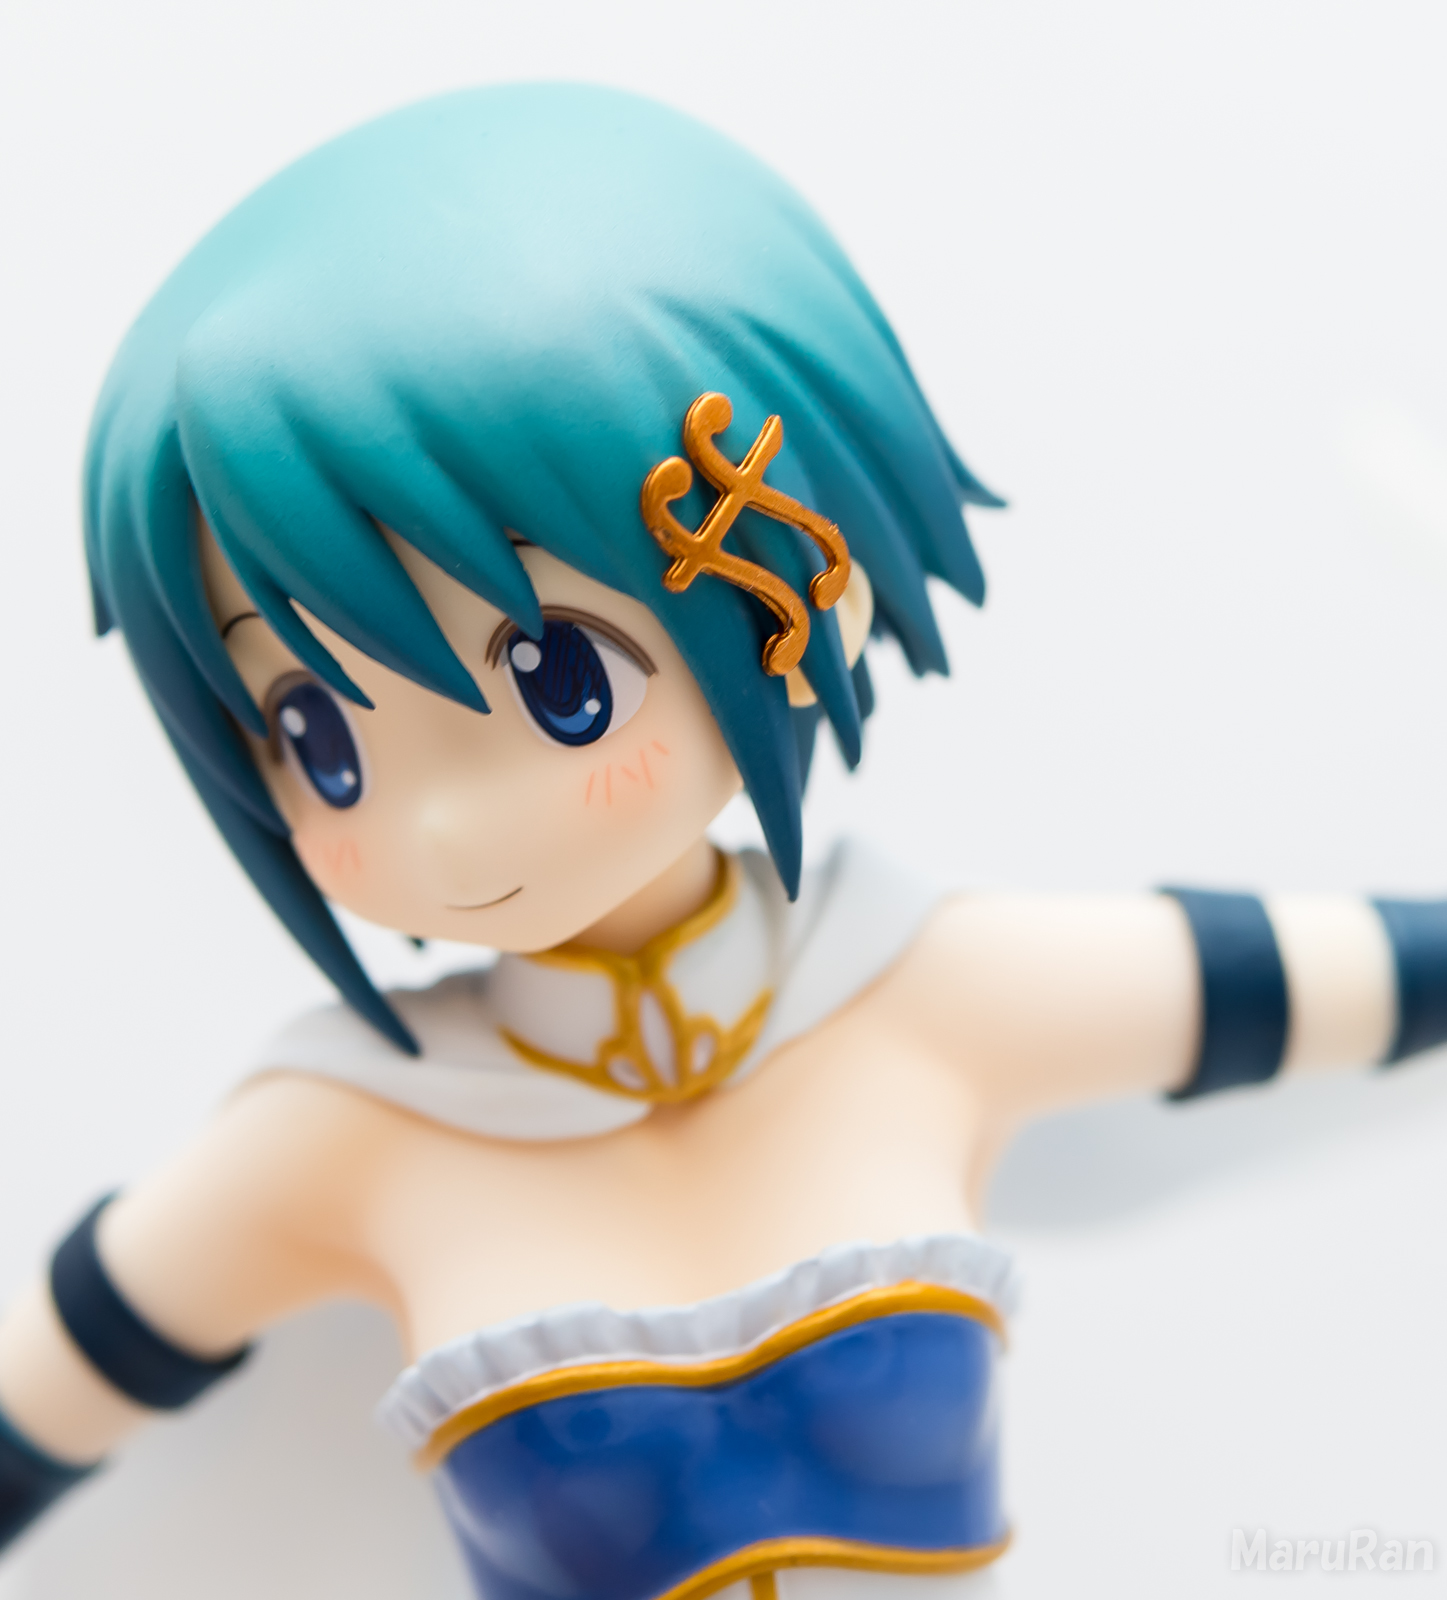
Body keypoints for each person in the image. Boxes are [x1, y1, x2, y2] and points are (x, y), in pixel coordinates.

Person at [0, 83, 1441, 1600]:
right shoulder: (345, 1138)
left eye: (558, 678)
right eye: (320, 740)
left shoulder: (930, 994)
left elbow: (1350, 976)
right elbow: (43, 1400)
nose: (443, 823)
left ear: (796, 590)